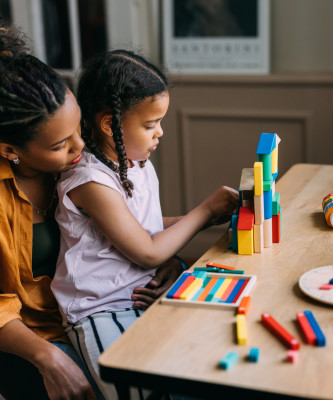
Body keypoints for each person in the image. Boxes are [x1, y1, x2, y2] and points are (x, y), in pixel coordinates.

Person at [0, 10, 182, 400]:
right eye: (59, 144)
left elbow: (122, 225)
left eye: (78, 129)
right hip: (35, 334)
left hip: (108, 302)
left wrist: (165, 256)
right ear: (9, 150)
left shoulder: (76, 155)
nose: (80, 147)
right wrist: (49, 359)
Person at [50, 49, 239, 399]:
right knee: (139, 388)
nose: (160, 133)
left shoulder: (136, 164)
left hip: (139, 293)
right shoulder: (90, 180)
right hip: (99, 308)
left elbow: (142, 227)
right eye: (151, 124)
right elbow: (148, 251)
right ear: (109, 124)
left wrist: (212, 216)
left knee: (202, 364)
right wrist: (203, 211)